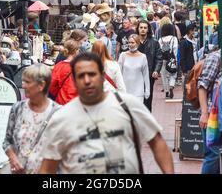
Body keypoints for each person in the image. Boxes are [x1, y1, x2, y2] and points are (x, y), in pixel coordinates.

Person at [38, 52, 174, 174]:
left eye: (92, 74)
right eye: (81, 76)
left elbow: (157, 142)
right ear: (74, 79)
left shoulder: (127, 104)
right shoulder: (62, 117)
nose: (87, 81)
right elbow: (48, 166)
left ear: (102, 75)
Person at [3, 64, 60, 174]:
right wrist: (13, 158)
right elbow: (7, 141)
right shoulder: (17, 109)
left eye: (27, 82)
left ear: (41, 85)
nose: (23, 86)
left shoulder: (57, 113)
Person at [197, 49, 222, 174]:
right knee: (213, 154)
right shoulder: (216, 57)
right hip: (212, 115)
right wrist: (204, 114)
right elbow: (202, 85)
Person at [137, 20, 163, 112]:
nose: (143, 30)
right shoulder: (133, 41)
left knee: (147, 98)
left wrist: (156, 70)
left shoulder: (154, 42)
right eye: (141, 27)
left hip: (149, 74)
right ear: (138, 28)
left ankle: (147, 119)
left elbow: (159, 58)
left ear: (148, 29)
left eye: (145, 28)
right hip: (135, 75)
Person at [118, 34, 150, 103]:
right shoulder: (123, 55)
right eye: (129, 42)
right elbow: (118, 73)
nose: (130, 44)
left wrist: (147, 90)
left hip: (138, 91)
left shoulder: (143, 57)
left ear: (137, 43)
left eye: (132, 42)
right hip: (125, 90)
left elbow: (146, 74)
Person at [49, 39, 80, 105]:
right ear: (75, 51)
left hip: (61, 101)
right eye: (78, 49)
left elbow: (52, 85)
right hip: (75, 103)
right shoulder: (80, 67)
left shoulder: (59, 66)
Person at [159, 24, 178, 99]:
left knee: (164, 75)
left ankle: (166, 91)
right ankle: (171, 86)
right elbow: (175, 49)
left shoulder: (160, 39)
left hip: (163, 59)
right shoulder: (174, 38)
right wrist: (175, 59)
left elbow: (159, 49)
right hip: (171, 59)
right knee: (173, 73)